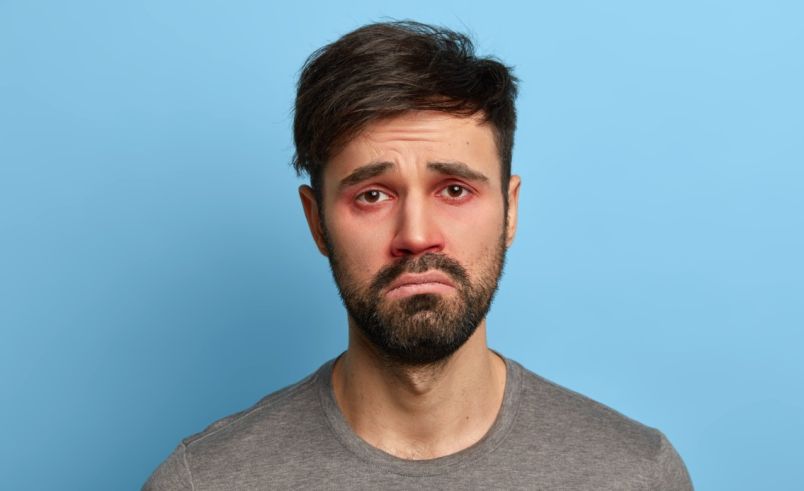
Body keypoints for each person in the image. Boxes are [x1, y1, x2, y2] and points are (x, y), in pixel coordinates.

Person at [143, 21, 693, 490]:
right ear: (316, 222)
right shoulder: (206, 480)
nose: (416, 235)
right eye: (373, 195)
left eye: (455, 189)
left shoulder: (633, 474)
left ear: (510, 213)